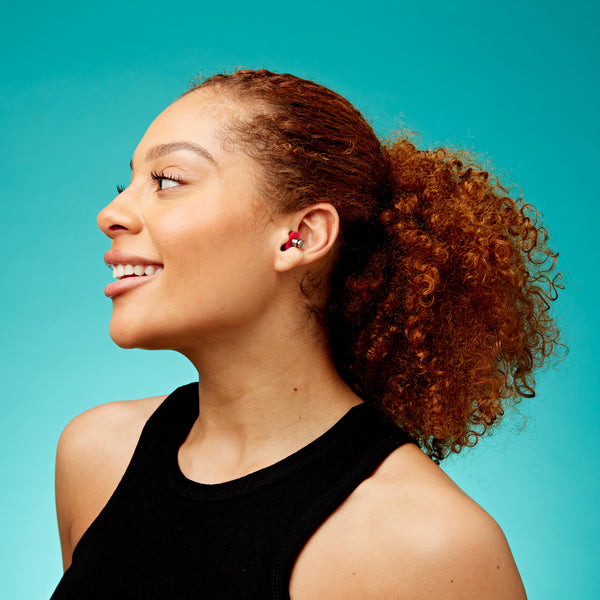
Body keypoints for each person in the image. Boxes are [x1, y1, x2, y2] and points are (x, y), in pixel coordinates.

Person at [51, 69, 561, 599]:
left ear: (301, 237)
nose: (110, 214)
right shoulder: (98, 456)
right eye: (126, 185)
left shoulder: (429, 546)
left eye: (167, 181)